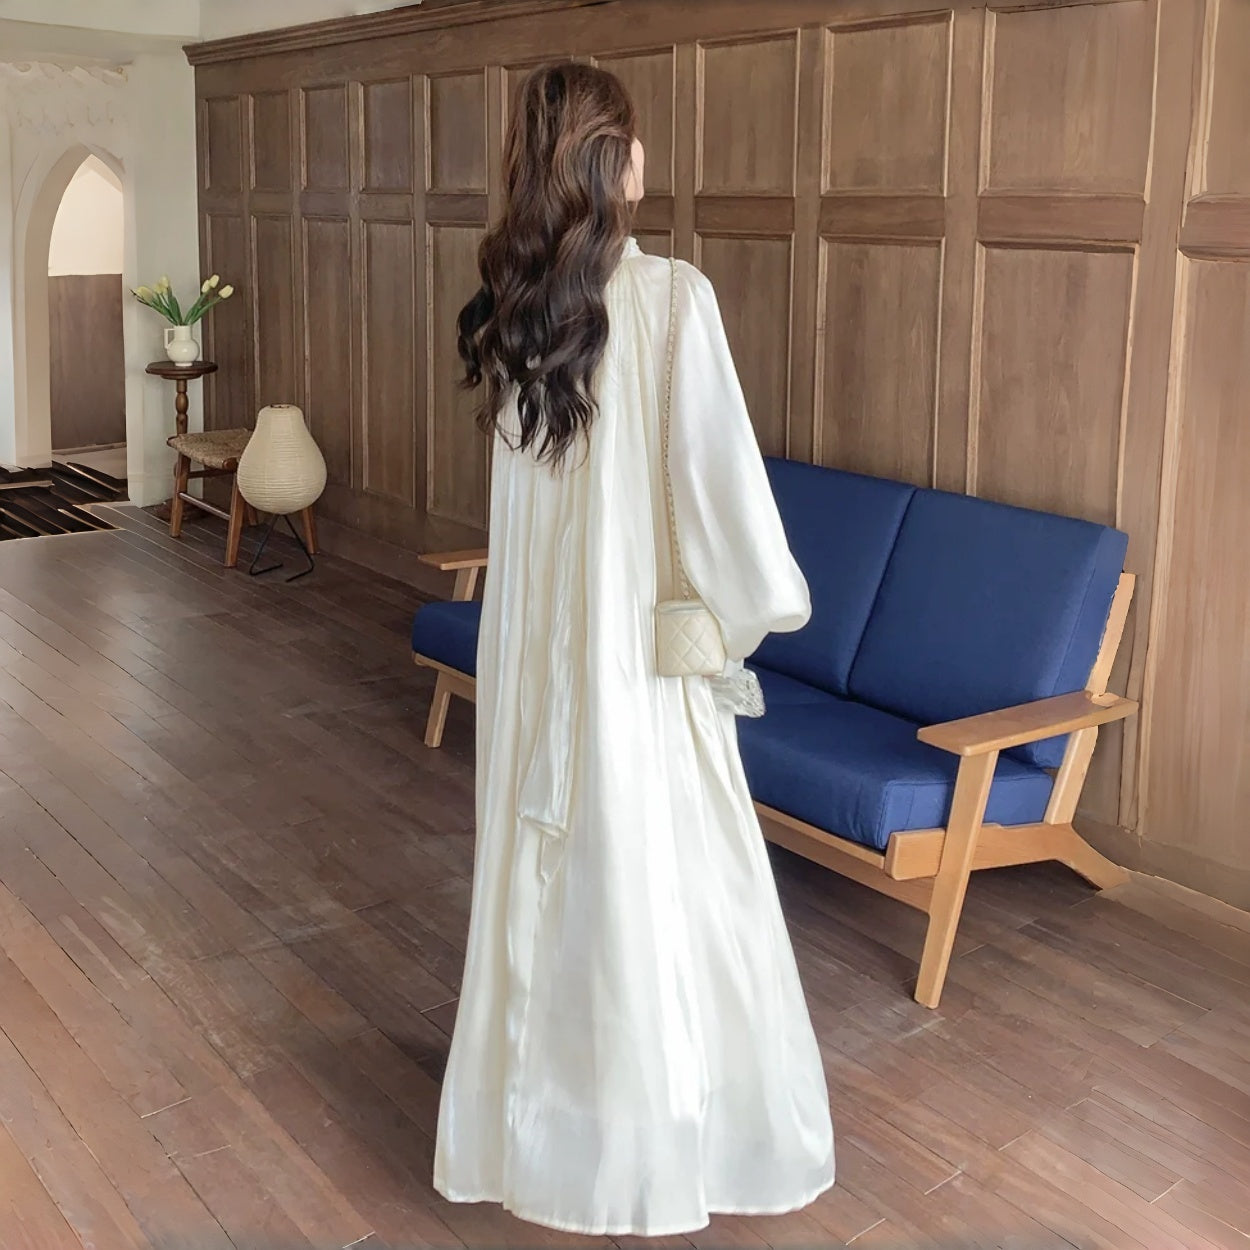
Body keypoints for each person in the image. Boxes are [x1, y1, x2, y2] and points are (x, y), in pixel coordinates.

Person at [433, 61, 835, 1238]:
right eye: (637, 138)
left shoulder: (512, 306)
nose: (649, 158)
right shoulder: (671, 299)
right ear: (612, 157)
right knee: (656, 880)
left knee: (546, 872)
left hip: (532, 651)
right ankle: (653, 1135)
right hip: (632, 665)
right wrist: (751, 614)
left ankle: (530, 1128)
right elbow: (721, 495)